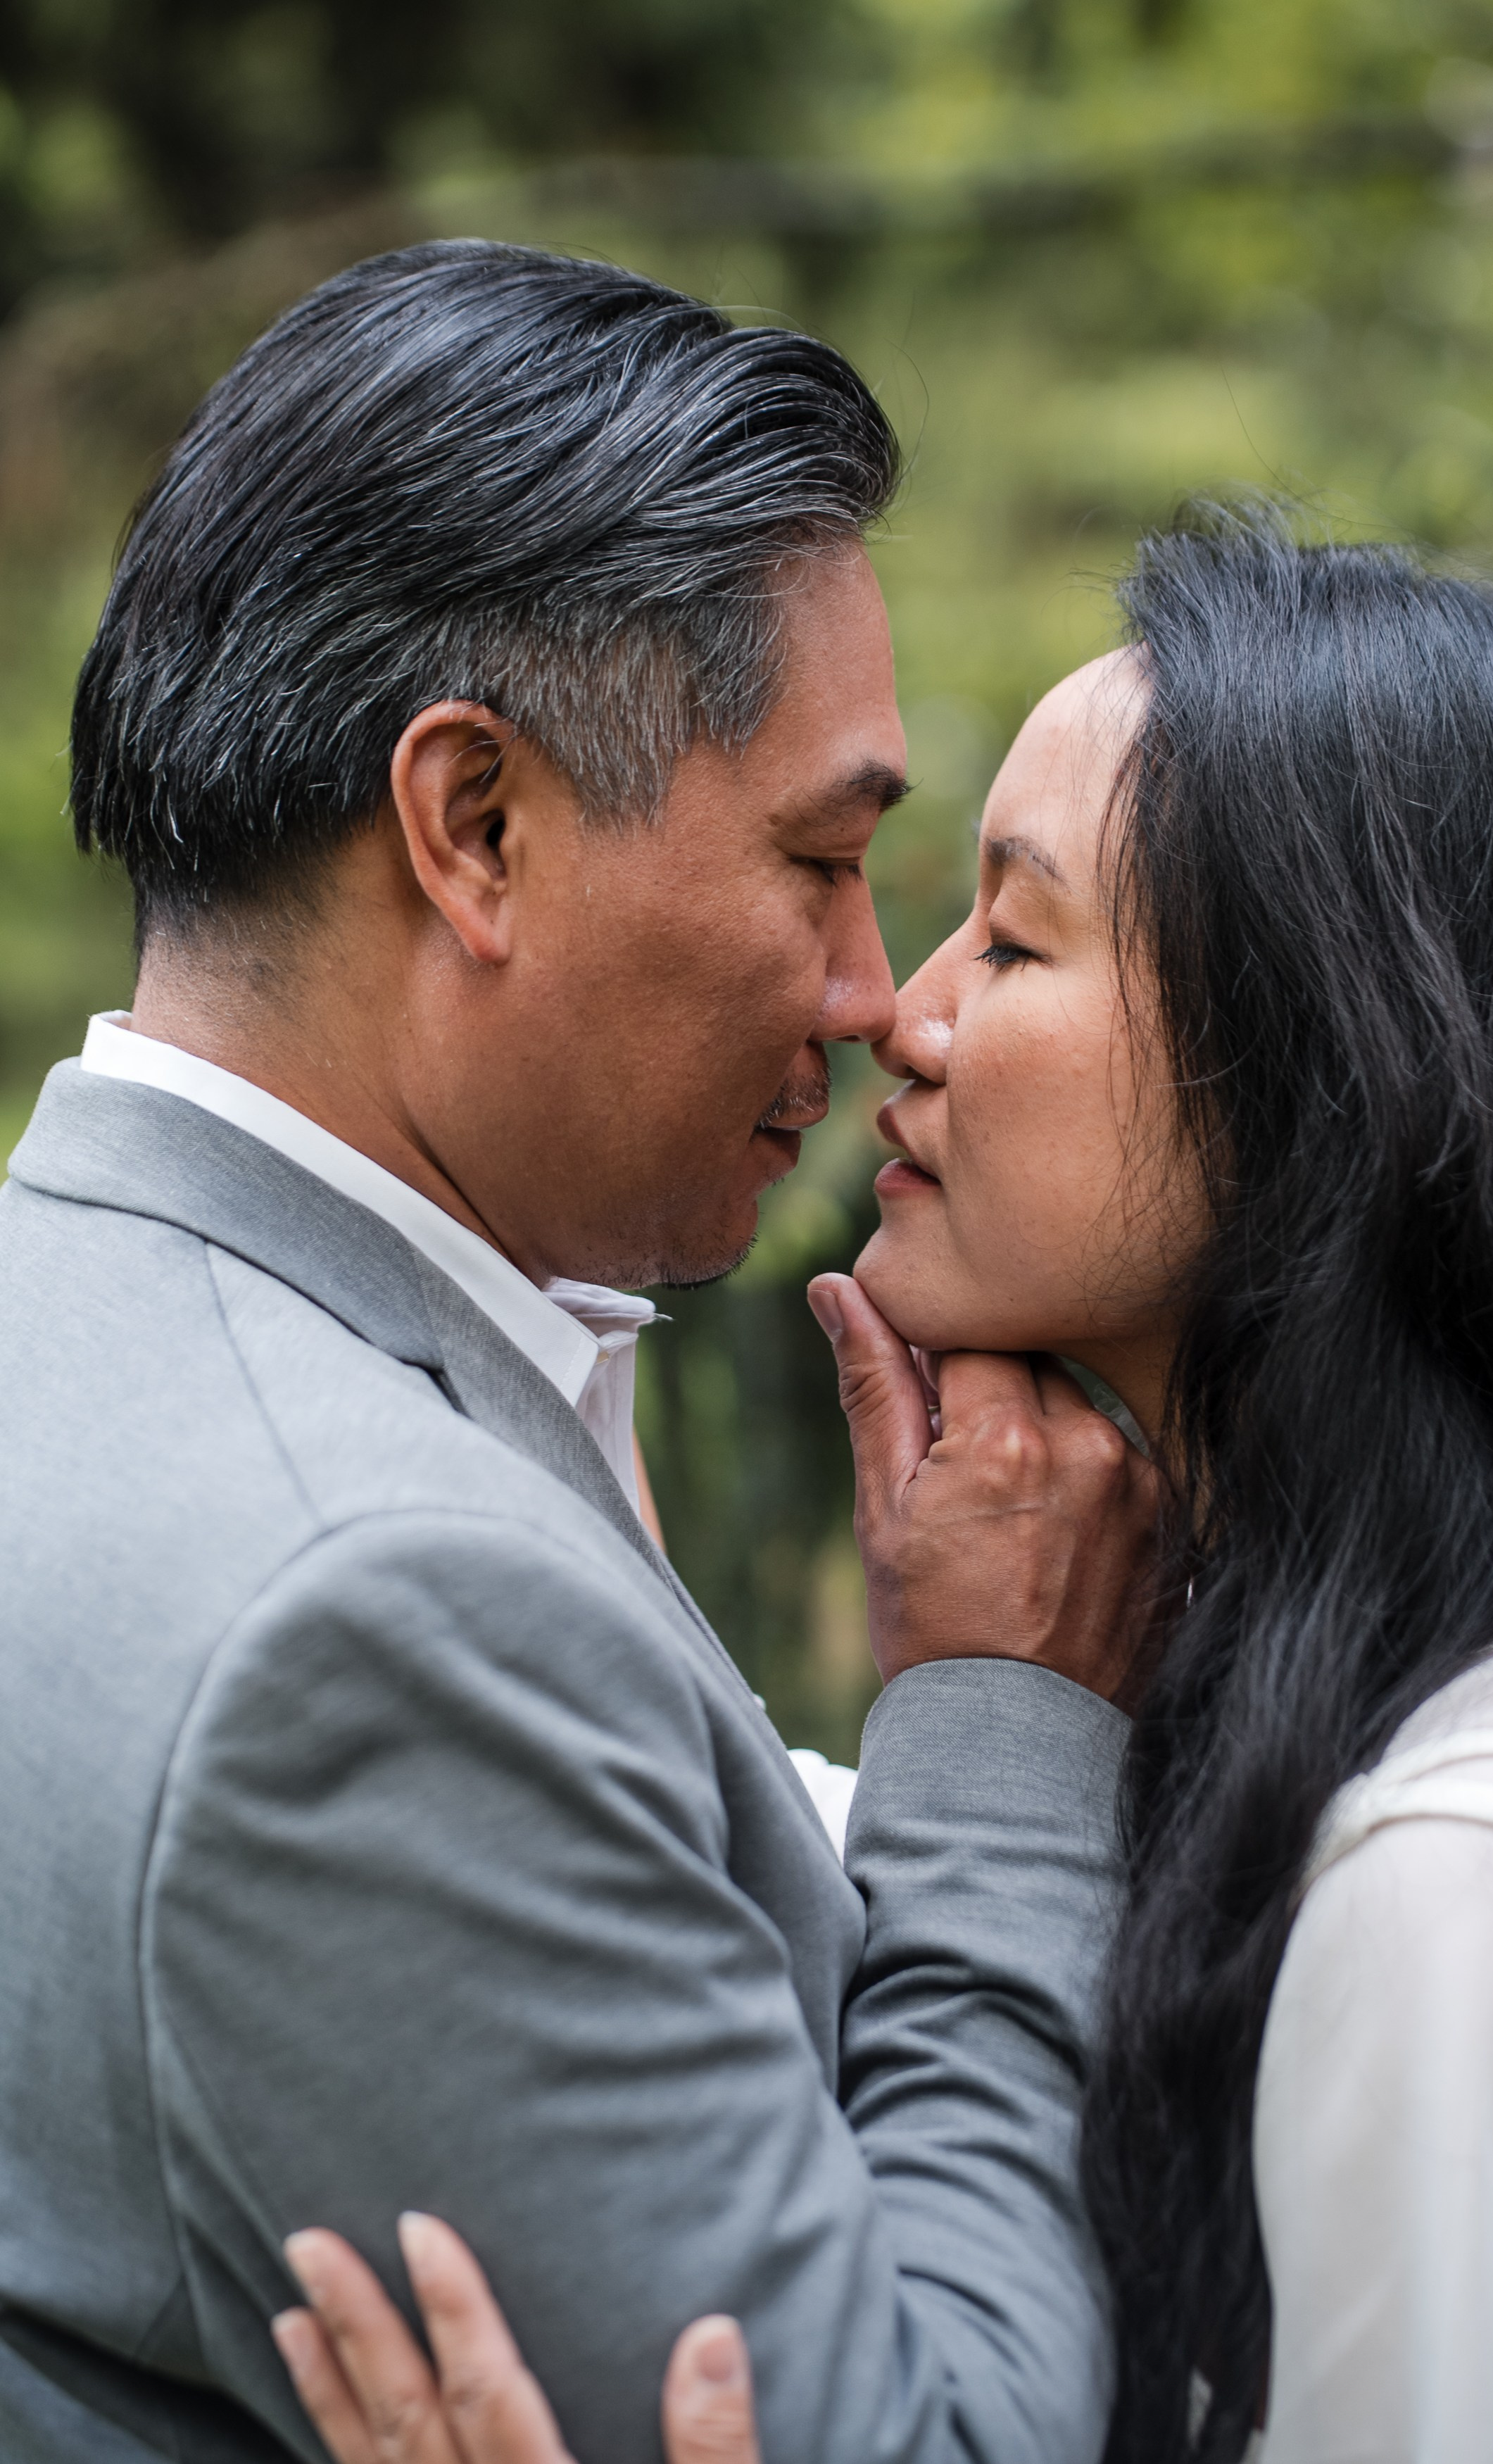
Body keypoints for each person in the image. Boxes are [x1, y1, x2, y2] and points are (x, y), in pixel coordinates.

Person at [289, 510, 1493, 2464]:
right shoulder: (1260, 1743)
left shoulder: (1481, 1884)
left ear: (1329, 1073)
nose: (899, 1013)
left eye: (1011, 934)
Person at [0, 242, 1166, 2464]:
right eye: (827, 859)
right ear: (477, 828)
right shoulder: (370, 1617)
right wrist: (1008, 1733)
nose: (875, 985)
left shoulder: (84, 1313)